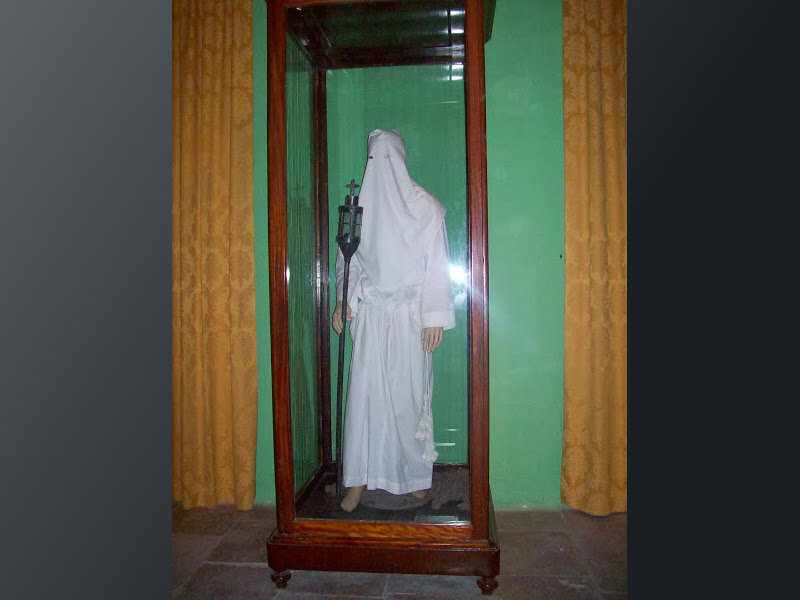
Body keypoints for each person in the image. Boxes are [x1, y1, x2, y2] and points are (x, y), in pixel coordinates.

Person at [332, 129, 456, 513]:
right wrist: (342, 301)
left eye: (388, 158)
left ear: (401, 161)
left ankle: (414, 478)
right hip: (371, 316)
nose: (381, 167)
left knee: (407, 399)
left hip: (408, 318)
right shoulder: (358, 212)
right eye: (374, 158)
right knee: (364, 398)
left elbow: (438, 265)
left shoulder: (426, 210)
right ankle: (358, 478)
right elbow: (348, 263)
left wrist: (433, 315)